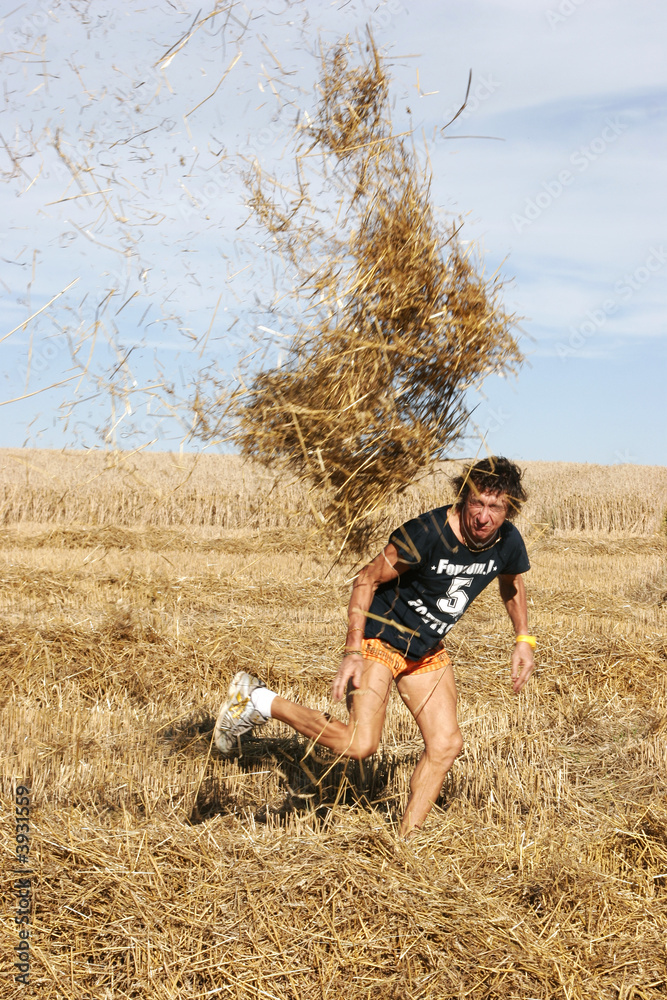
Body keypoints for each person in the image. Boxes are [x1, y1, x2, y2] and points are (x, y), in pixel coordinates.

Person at [214, 456, 535, 837]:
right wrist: (353, 651)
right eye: (476, 503)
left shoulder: (508, 540)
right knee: (359, 743)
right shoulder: (427, 532)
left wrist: (523, 637)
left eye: (495, 507)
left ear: (509, 508)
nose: (483, 517)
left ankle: (406, 843)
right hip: (381, 637)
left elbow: (511, 583)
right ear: (463, 498)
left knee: (446, 744)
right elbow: (365, 579)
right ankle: (258, 699)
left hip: (426, 649)